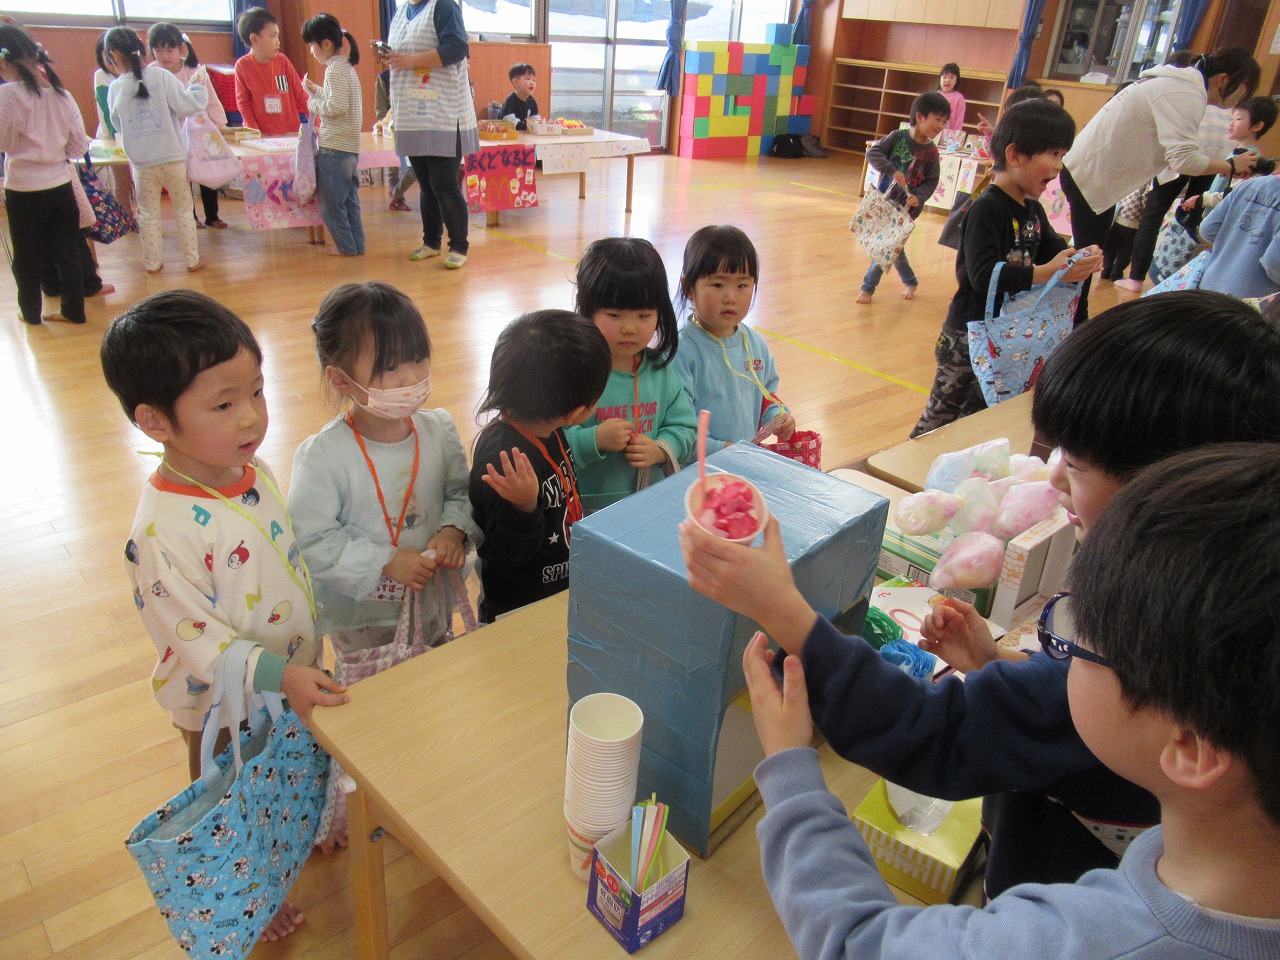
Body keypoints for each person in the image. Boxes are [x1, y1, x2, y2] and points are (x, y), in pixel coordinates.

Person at [680, 290, 1280, 899]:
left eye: (1076, 464)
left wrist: (781, 612)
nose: (1053, 476)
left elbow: (937, 734)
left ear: (1169, 486)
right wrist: (1000, 664)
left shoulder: (1145, 663)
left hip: (1045, 883)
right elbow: (1051, 696)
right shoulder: (1222, 595)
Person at [740, 442, 1280, 960]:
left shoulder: (1070, 943)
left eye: (1076, 641)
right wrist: (998, 663)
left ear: (1192, 748)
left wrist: (790, 771)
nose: (1054, 655)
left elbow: (856, 944)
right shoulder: (1227, 816)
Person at [99, 290, 349, 943]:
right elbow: (202, 645)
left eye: (257, 391)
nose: (252, 417)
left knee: (289, 766)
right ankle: (252, 895)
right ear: (155, 421)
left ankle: (304, 829)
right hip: (220, 704)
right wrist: (281, 674)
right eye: (223, 404)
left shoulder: (250, 467)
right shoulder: (160, 533)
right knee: (235, 795)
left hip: (286, 672)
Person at [290, 282, 478, 849]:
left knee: (427, 691)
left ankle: (423, 777)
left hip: (431, 604)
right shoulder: (324, 456)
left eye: (418, 358)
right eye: (390, 367)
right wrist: (384, 562)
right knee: (373, 710)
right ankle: (372, 792)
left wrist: (453, 530)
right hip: (364, 618)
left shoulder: (437, 430)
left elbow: (461, 493)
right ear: (340, 381)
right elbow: (312, 538)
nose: (411, 377)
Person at [911, 99, 1100, 438]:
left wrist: (1080, 257)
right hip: (966, 339)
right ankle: (900, 467)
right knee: (939, 421)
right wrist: (1046, 271)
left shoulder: (1033, 211)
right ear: (1015, 155)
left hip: (1004, 337)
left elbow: (1057, 254)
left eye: (1062, 155)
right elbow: (982, 276)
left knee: (978, 423)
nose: (1059, 166)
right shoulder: (987, 208)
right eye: (1054, 154)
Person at [1059, 47, 1260, 321]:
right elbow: (1183, 159)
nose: (1240, 101)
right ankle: (1073, 323)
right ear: (1223, 80)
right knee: (1086, 261)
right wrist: (1231, 166)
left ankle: (1075, 322)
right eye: (1243, 92)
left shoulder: (1181, 85)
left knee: (1087, 259)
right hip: (1090, 178)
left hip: (1089, 175)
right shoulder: (1186, 93)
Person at [468, 310, 611, 623]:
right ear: (577, 412)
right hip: (518, 609)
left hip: (559, 588)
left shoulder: (550, 427)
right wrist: (524, 507)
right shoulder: (504, 458)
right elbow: (506, 553)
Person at [563, 238, 697, 512]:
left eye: (643, 315)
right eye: (614, 315)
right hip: (585, 508)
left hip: (651, 503)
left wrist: (660, 449)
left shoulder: (661, 371)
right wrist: (594, 439)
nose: (629, 328)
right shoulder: (574, 372)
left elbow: (685, 428)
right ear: (588, 311)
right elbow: (549, 440)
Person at [672, 224, 796, 456]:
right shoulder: (681, 351)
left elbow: (766, 394)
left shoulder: (755, 343)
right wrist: (722, 450)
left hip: (742, 459)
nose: (730, 297)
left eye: (742, 285)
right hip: (697, 467)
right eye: (718, 285)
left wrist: (778, 416)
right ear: (688, 288)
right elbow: (679, 424)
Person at [0, 24, 94, 325]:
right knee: (68, 251)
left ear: (3, 62)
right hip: (61, 185)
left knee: (27, 255)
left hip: (24, 189)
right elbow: (78, 146)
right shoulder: (62, 94)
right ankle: (73, 311)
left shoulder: (8, 94)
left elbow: (5, 143)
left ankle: (30, 314)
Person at [378, 0, 479, 269]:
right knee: (425, 184)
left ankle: (459, 246)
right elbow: (404, 54)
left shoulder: (443, 6)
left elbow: (457, 48)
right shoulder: (401, 11)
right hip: (413, 112)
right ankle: (431, 242)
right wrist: (390, 56)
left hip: (444, 113)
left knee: (444, 184)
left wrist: (410, 60)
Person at [104, 27, 208, 275]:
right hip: (172, 159)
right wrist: (196, 87)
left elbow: (117, 124)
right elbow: (187, 105)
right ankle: (192, 260)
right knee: (184, 211)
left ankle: (153, 263)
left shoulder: (116, 88)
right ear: (142, 48)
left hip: (142, 163)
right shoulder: (161, 77)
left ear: (113, 56)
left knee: (148, 214)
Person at [856, 91, 949, 304]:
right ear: (920, 117)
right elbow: (872, 153)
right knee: (894, 247)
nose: (941, 126)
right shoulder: (897, 137)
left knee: (886, 246)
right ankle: (910, 281)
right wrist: (892, 170)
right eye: (937, 119)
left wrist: (919, 197)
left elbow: (931, 181)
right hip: (885, 202)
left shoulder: (932, 152)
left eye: (944, 122)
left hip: (908, 208)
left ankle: (867, 288)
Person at [148, 22, 229, 230]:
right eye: (158, 51)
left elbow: (210, 99)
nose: (164, 56)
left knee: (207, 171)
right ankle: (191, 217)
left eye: (169, 50)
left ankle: (212, 215)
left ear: (181, 48)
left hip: (199, 131)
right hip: (172, 134)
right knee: (182, 177)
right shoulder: (152, 73)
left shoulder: (194, 70)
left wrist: (220, 125)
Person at [300, 14, 365, 257]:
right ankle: (356, 246)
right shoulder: (345, 67)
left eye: (312, 44)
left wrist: (311, 103)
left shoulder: (333, 70)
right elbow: (337, 100)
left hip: (334, 148)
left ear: (326, 44)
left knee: (330, 205)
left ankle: (346, 247)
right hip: (349, 148)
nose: (311, 50)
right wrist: (316, 91)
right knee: (349, 201)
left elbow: (336, 107)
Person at [1181, 95, 1278, 215]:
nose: (1231, 124)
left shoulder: (1251, 158)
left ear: (1257, 126)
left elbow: (1237, 192)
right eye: (1232, 118)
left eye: (1238, 119)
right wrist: (1203, 197)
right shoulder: (1236, 152)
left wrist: (1204, 199)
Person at [1198, 170, 1280, 301]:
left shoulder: (1250, 184)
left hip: (1209, 287)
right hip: (1250, 301)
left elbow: (1207, 228)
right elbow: (1274, 261)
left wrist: (1232, 242)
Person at [234, 7, 309, 137]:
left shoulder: (282, 61)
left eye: (277, 35)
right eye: (273, 36)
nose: (278, 42)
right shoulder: (243, 65)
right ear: (254, 39)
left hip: (291, 132)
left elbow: (301, 94)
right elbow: (243, 103)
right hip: (262, 135)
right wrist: (254, 131)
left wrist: (316, 122)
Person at [91, 31, 136, 217]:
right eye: (107, 58)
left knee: (140, 180)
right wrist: (118, 135)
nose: (111, 62)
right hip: (113, 136)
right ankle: (126, 217)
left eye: (114, 57)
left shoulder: (135, 73)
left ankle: (141, 216)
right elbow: (106, 111)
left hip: (136, 135)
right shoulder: (102, 76)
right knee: (122, 181)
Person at [373, 69, 416, 211]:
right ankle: (398, 199)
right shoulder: (384, 77)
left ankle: (396, 193)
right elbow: (381, 109)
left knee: (414, 169)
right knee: (392, 164)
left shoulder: (414, 73)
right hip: (392, 128)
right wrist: (385, 126)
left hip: (414, 128)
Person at [501, 62, 539, 130]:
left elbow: (535, 119)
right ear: (516, 83)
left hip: (525, 134)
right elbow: (511, 123)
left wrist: (538, 124)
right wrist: (529, 126)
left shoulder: (532, 101)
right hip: (509, 134)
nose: (532, 83)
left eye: (534, 80)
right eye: (528, 79)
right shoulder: (510, 101)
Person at [938, 62, 965, 131]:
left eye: (951, 77)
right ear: (940, 79)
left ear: (956, 81)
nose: (947, 80)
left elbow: (959, 121)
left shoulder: (959, 98)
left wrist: (955, 135)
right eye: (944, 77)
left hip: (950, 134)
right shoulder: (934, 96)